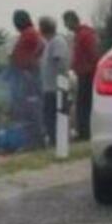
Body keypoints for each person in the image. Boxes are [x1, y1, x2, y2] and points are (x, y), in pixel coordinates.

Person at [62, 11, 100, 140]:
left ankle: (85, 132)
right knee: (82, 104)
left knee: (84, 105)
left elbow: (93, 54)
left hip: (87, 74)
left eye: (66, 22)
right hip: (83, 73)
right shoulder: (80, 35)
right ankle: (84, 131)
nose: (66, 26)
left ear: (72, 20)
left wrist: (87, 67)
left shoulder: (84, 35)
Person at [10, 10, 44, 147]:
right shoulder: (29, 33)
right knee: (30, 109)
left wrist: (29, 65)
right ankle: (34, 140)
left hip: (28, 77)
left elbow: (39, 48)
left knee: (31, 110)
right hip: (26, 76)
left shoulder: (29, 34)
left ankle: (35, 141)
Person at [39, 17, 70, 146]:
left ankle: (59, 141)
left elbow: (59, 61)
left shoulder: (57, 42)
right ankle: (54, 140)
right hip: (49, 87)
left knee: (56, 115)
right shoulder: (50, 43)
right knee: (50, 115)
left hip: (56, 86)